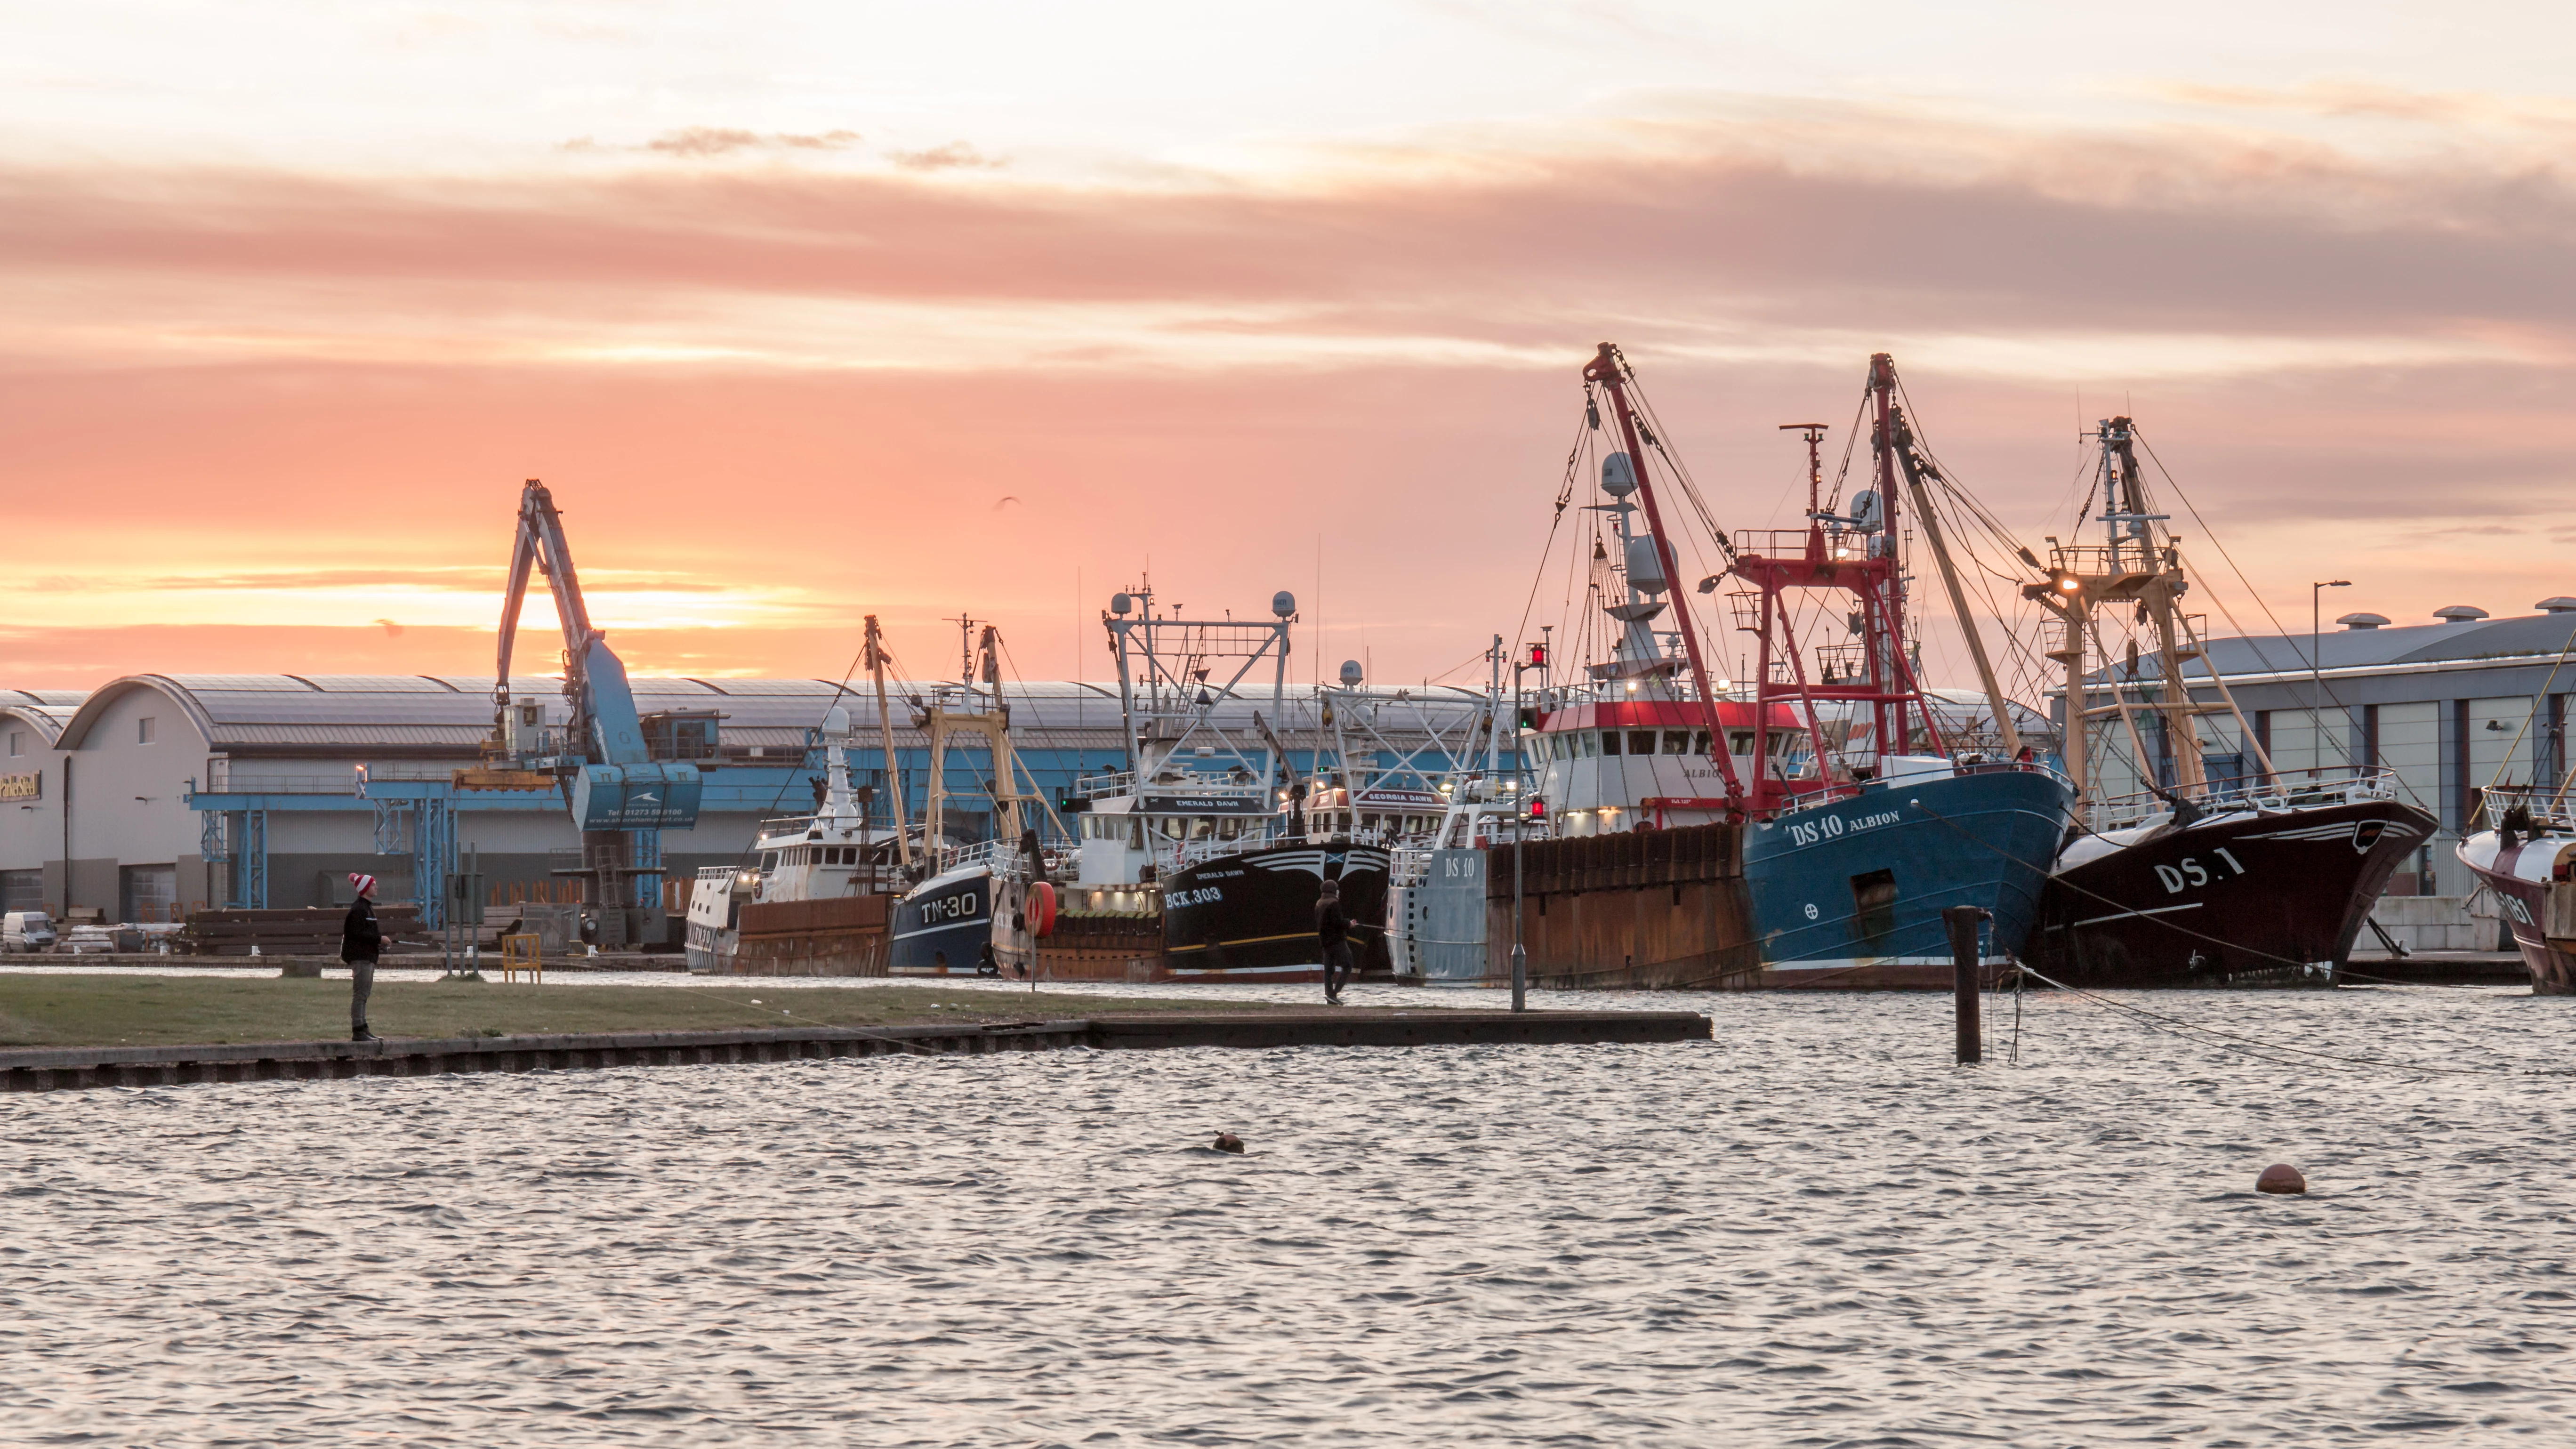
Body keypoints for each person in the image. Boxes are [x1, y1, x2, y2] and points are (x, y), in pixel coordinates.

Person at [340, 873, 384, 1042]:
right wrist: (380, 939)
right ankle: (358, 1030)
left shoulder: (367, 908)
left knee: (365, 993)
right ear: (366, 889)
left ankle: (364, 1028)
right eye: (374, 885)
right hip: (361, 957)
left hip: (369, 956)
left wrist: (379, 942)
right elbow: (356, 933)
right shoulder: (359, 909)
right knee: (360, 994)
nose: (377, 888)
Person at [1315, 877, 1353, 1005]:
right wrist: (1349, 924)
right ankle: (1335, 993)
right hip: (1337, 941)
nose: (1338, 892)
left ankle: (1329, 995)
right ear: (1333, 891)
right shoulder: (1334, 903)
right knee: (1348, 965)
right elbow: (1338, 923)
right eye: (1337, 889)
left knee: (1329, 970)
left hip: (1325, 942)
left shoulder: (1319, 903)